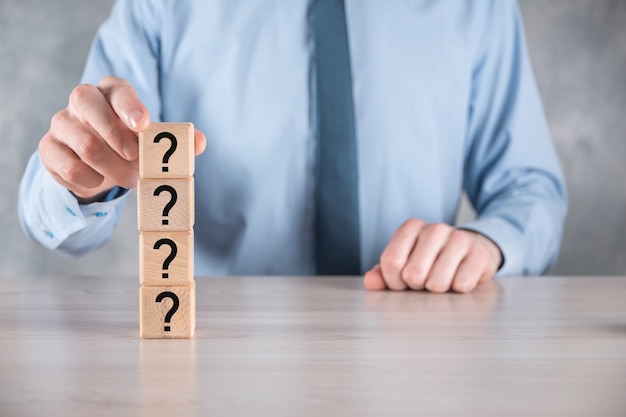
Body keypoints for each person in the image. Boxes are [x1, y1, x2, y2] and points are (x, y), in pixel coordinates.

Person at [18, 0, 567, 293]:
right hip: (217, 359)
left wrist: (486, 243)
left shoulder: (478, 6)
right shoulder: (161, 6)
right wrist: (79, 177)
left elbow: (531, 189)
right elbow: (55, 214)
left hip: (419, 346)